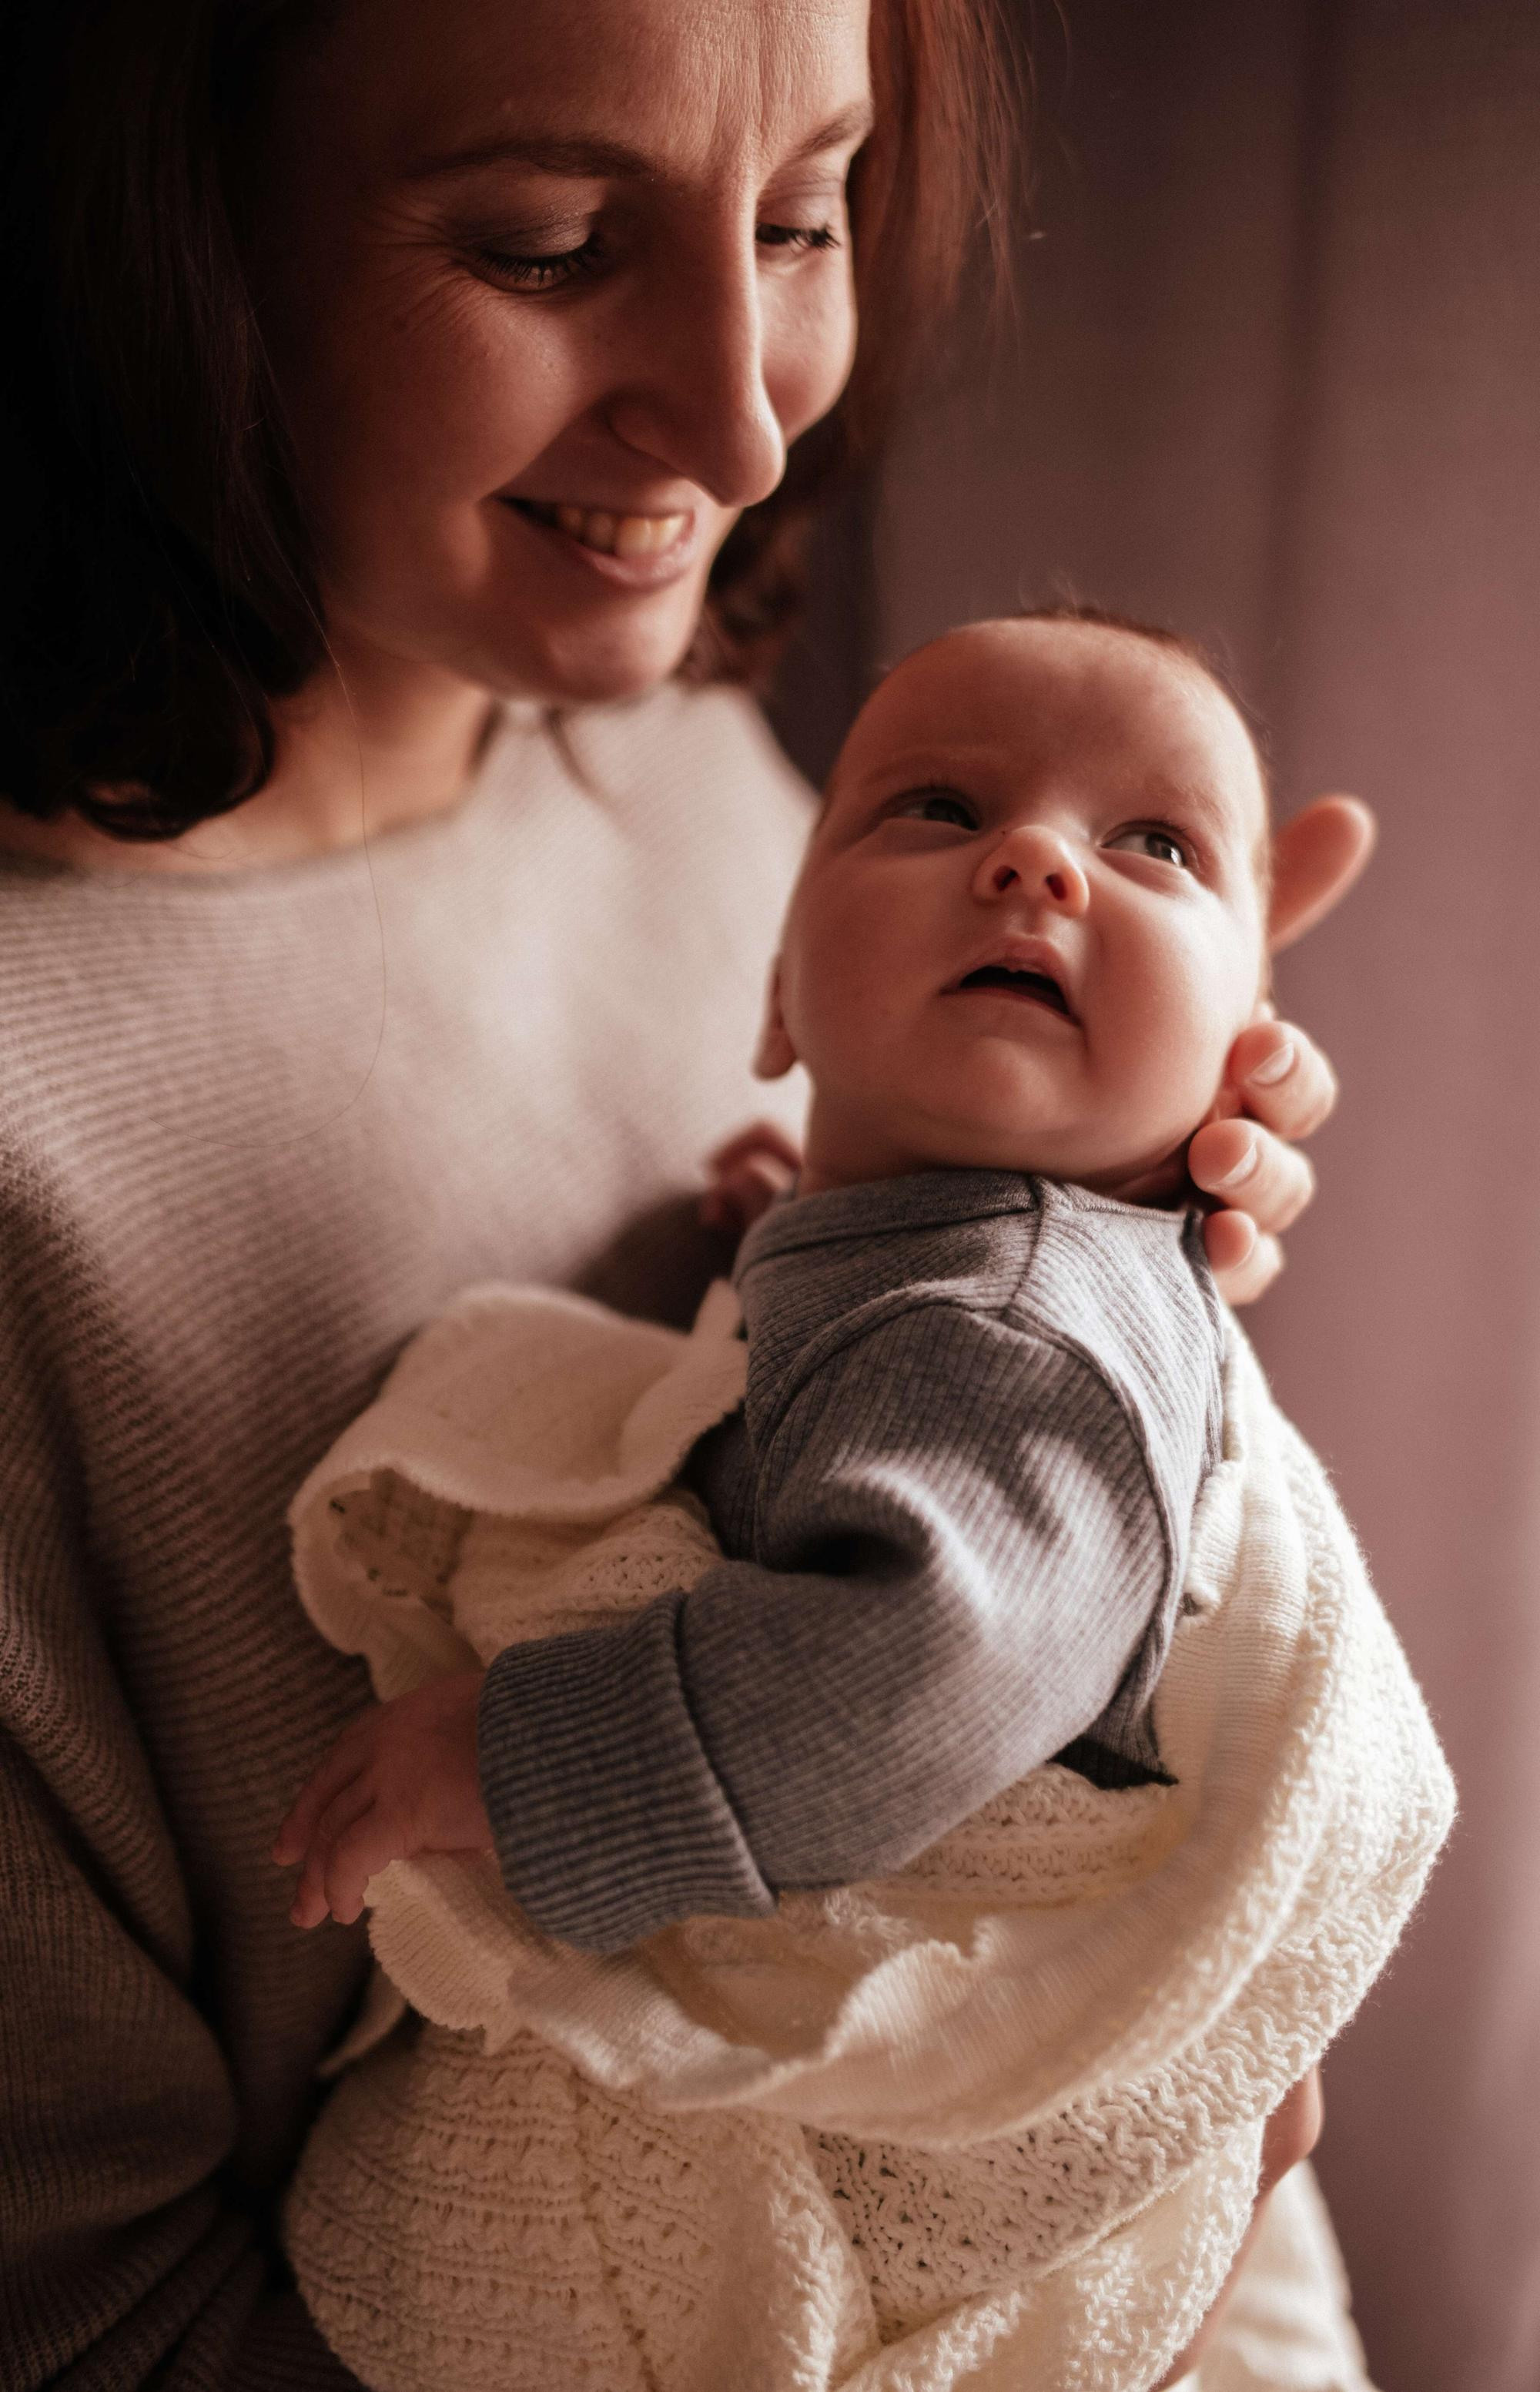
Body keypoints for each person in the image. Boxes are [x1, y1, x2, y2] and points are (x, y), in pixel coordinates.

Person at [0, 4, 1369, 2387]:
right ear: (170, 247)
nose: (746, 422)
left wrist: (1103, 1261)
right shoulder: (44, 1156)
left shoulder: (685, 754)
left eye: (804, 216)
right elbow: (98, 2318)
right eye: (549, 245)